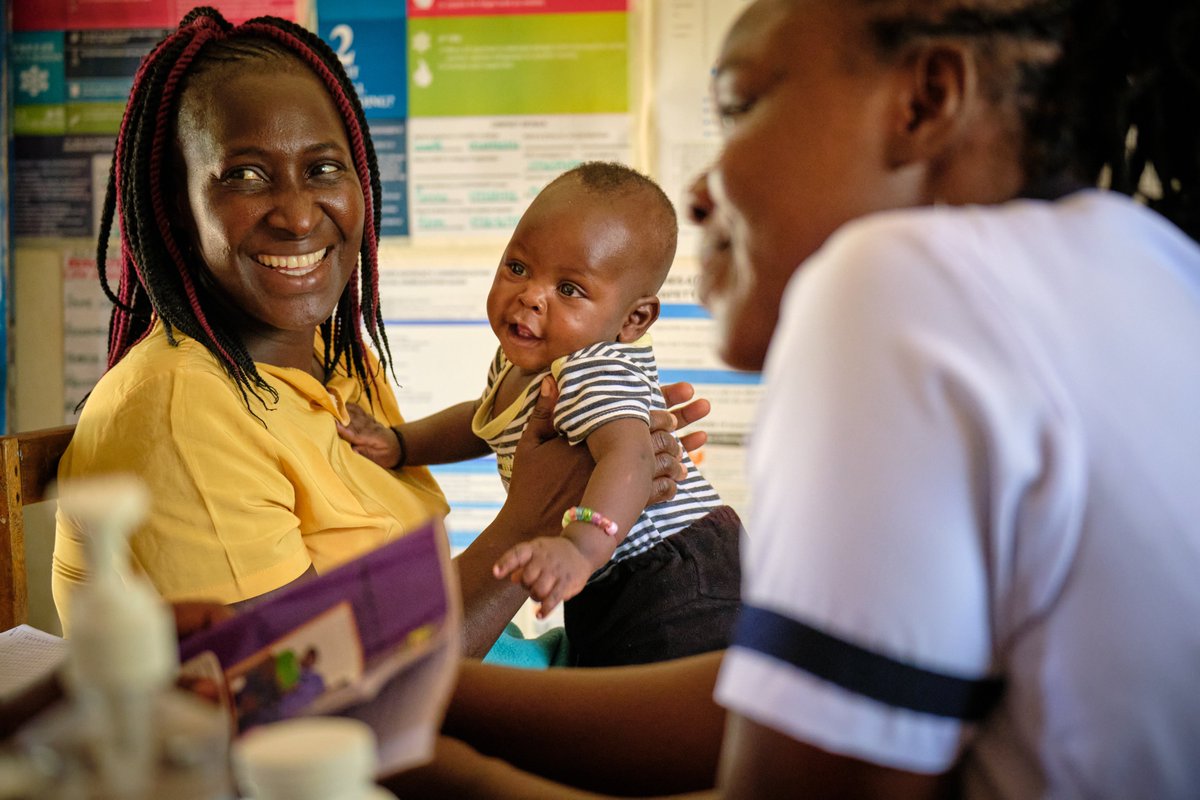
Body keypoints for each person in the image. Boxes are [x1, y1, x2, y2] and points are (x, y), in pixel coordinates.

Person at [385, 0, 1200, 797]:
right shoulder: (1150, 265)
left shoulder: (900, 279)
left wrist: (417, 763)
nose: (702, 191)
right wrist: (417, 694)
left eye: (739, 108)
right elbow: (784, 712)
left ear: (923, 102)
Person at [50, 6, 706, 661]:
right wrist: (535, 517)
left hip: (509, 662)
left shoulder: (336, 361)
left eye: (324, 168)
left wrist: (625, 464)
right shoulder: (178, 406)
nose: (300, 214)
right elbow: (301, 697)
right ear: (175, 204)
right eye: (244, 175)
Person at [338, 162, 741, 666]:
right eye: (518, 267)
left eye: (569, 289)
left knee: (645, 718)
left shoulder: (589, 369)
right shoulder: (519, 361)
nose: (530, 296)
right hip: (608, 563)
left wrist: (578, 547)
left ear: (633, 320)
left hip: (672, 573)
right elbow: (480, 422)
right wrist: (400, 443)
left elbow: (632, 459)